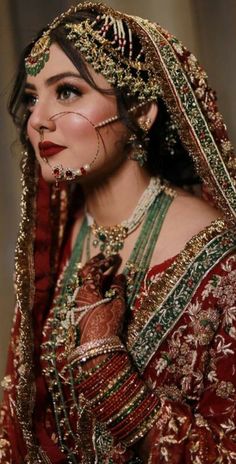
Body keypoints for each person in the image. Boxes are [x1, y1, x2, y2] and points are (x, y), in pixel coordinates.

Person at [0, 2, 236, 463]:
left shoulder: (222, 259)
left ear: (142, 112)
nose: (38, 119)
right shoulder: (54, 252)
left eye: (67, 92)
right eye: (31, 98)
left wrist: (112, 377)